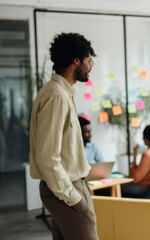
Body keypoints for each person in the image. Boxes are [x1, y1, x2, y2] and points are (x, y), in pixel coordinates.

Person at [29, 32, 98, 240]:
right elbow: (48, 157)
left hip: (64, 187)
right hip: (66, 188)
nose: (90, 65)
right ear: (76, 60)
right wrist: (74, 198)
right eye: (89, 60)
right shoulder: (57, 96)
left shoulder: (59, 92)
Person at [121, 125, 150, 197]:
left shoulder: (147, 155)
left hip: (144, 188)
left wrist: (134, 156)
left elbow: (135, 179)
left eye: (143, 136)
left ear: (145, 138)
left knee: (115, 187)